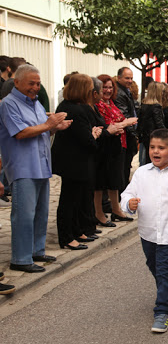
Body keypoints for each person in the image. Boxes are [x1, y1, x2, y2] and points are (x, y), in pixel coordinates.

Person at [120, 128, 168, 333]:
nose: (155, 151)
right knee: (153, 264)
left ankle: (162, 310)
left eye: (161, 148)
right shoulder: (141, 173)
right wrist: (130, 203)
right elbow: (126, 195)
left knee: (164, 269)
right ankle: (166, 287)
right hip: (147, 232)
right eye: (152, 147)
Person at [0, 65, 71, 272]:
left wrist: (56, 127)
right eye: (31, 83)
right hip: (23, 167)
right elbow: (20, 133)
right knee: (24, 214)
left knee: (40, 212)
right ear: (17, 82)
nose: (35, 87)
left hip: (41, 165)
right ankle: (20, 259)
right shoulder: (8, 104)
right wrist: (50, 125)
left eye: (38, 83)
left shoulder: (36, 103)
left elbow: (40, 130)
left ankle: (36, 251)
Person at [52, 74, 104, 251]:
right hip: (74, 162)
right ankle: (67, 237)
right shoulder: (77, 110)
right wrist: (95, 135)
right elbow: (87, 141)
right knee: (69, 201)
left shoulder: (67, 106)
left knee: (75, 199)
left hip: (72, 161)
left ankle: (76, 231)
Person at [95, 74, 138, 227]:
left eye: (110, 87)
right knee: (101, 183)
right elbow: (108, 125)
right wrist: (125, 123)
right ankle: (99, 213)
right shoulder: (98, 105)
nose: (107, 90)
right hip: (106, 147)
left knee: (115, 180)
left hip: (119, 145)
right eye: (104, 87)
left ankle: (116, 209)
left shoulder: (110, 103)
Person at [113, 67, 138, 189]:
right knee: (123, 168)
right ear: (119, 78)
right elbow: (124, 116)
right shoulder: (119, 93)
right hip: (125, 135)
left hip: (129, 134)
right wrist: (133, 133)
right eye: (127, 78)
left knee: (126, 166)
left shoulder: (126, 91)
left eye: (131, 78)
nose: (130, 81)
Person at [137, 82, 165, 165]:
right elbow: (159, 124)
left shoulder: (144, 105)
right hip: (154, 137)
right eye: (162, 91)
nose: (163, 94)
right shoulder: (156, 106)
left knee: (145, 159)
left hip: (145, 136)